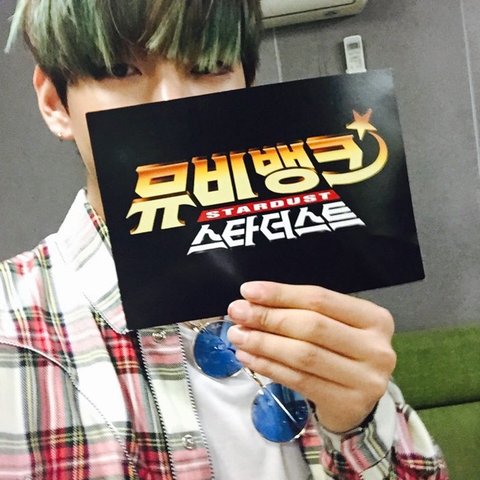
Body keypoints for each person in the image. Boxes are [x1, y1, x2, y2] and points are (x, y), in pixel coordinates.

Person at [1, 1, 447, 479]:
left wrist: (356, 422)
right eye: (119, 69)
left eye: (209, 66)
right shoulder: (12, 330)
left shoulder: (306, 274)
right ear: (56, 103)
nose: (173, 105)